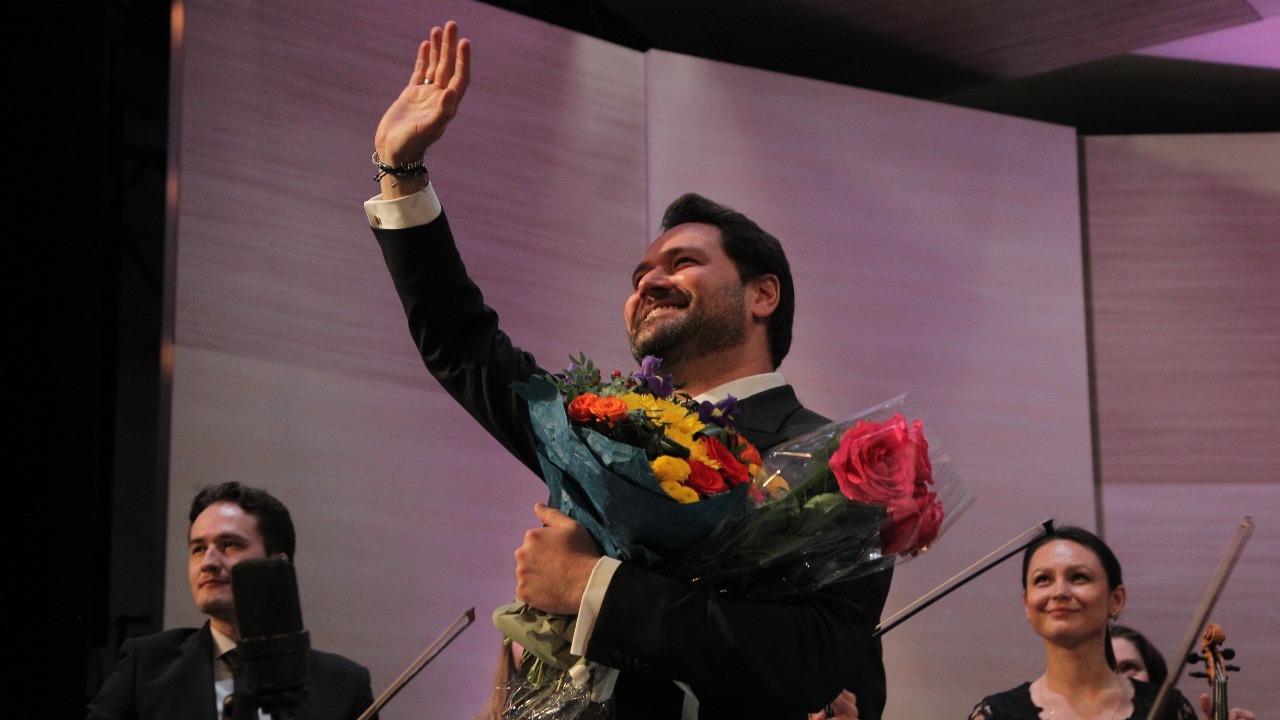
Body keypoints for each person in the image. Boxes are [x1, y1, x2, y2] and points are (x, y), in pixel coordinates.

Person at [365, 20, 892, 720]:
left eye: (683, 262)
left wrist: (591, 585)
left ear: (762, 294)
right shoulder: (593, 430)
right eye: (639, 275)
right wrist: (400, 171)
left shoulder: (839, 459)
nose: (649, 282)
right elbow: (463, 345)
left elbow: (813, 663)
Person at [86, 481, 378, 720]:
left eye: (229, 545)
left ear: (277, 566)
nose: (209, 562)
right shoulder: (146, 666)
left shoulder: (344, 684)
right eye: (198, 549)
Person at [969, 525, 1206, 720]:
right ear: (1027, 605)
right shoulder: (996, 715)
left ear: (1116, 600)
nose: (1059, 592)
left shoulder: (1168, 709)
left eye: (1078, 577)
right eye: (1043, 579)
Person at [1110, 624, 1255, 720]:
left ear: (1152, 673)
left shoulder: (1178, 709)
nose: (1120, 679)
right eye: (1108, 670)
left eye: (1129, 667)